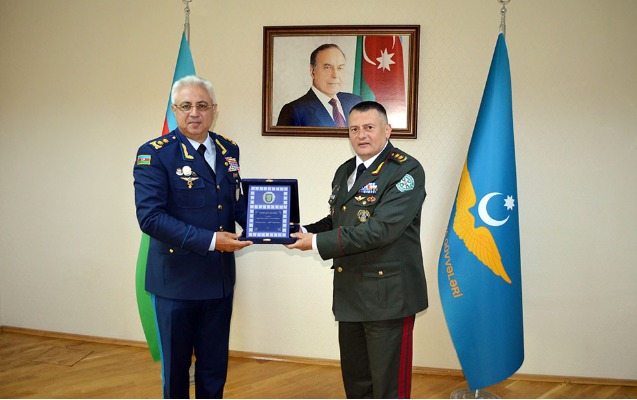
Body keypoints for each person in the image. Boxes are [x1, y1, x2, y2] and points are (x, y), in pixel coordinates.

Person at [286, 101, 428, 399]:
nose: (361, 135)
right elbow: (338, 220)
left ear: (387, 130)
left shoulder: (406, 170)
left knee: (388, 388)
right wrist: (302, 230)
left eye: (369, 127)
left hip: (388, 297)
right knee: (357, 383)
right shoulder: (346, 170)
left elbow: (381, 230)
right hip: (350, 292)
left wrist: (315, 243)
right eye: (354, 129)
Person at [133, 75, 252, 398]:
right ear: (174, 110)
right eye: (186, 106)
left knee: (214, 368)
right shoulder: (155, 154)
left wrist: (274, 226)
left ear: (214, 110)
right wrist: (212, 240)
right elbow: (151, 218)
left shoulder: (228, 149)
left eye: (202, 105)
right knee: (176, 371)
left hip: (218, 280)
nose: (194, 113)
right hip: (176, 282)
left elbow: (235, 203)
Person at [276, 43, 362, 127]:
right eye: (327, 68)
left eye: (340, 68)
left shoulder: (355, 102)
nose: (335, 75)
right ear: (312, 71)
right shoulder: (294, 111)